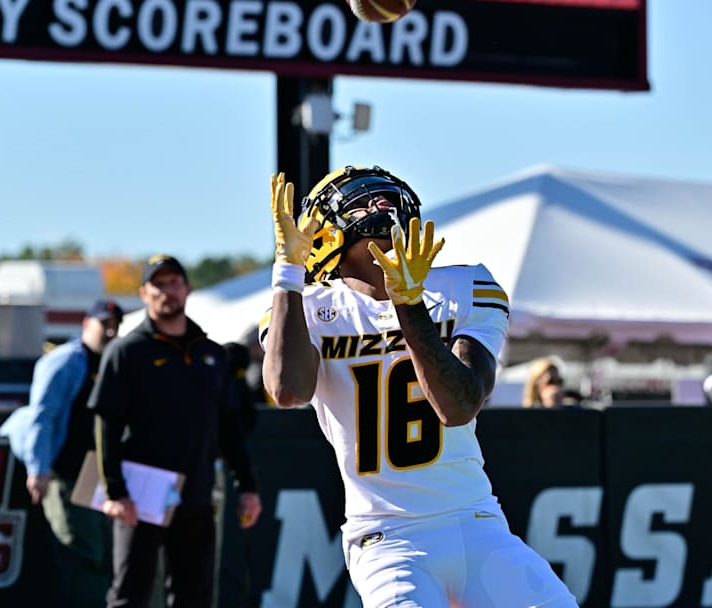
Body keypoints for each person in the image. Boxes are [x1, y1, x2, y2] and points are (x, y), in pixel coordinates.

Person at [260, 167, 578, 606]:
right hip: (386, 539)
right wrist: (287, 273)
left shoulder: (466, 287)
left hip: (476, 522)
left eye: (384, 198)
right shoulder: (307, 308)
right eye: (359, 203)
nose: (378, 206)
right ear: (326, 236)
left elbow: (458, 406)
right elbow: (287, 390)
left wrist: (407, 303)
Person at [89, 255, 263, 608]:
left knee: (194, 596)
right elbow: (106, 425)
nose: (168, 291)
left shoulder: (210, 353)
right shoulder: (127, 351)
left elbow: (229, 427)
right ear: (143, 293)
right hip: (141, 494)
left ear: (188, 289)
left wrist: (247, 486)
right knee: (130, 594)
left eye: (174, 283)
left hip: (196, 492)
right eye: (159, 284)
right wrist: (116, 491)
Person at [0, 298, 124, 606]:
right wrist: (38, 468)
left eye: (114, 326)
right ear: (85, 325)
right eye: (103, 325)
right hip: (64, 473)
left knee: (100, 553)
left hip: (95, 472)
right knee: (77, 552)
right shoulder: (66, 360)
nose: (109, 332)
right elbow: (43, 415)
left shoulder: (111, 360)